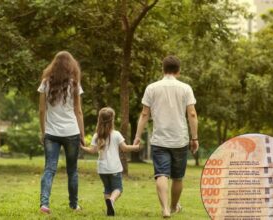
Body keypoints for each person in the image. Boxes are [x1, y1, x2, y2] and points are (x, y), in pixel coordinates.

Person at [134, 55, 199, 218]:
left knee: (161, 174)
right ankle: (173, 205)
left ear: (163, 69)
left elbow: (144, 114)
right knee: (177, 177)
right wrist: (195, 138)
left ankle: (165, 209)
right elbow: (191, 113)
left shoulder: (152, 88)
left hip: (159, 139)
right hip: (180, 140)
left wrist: (137, 136)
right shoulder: (186, 88)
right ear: (179, 70)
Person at [38, 51, 85, 214]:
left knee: (49, 169)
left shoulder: (45, 83)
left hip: (51, 132)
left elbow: (42, 111)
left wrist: (43, 132)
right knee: (72, 170)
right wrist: (82, 134)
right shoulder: (74, 84)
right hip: (72, 132)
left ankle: (44, 204)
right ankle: (74, 205)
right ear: (70, 66)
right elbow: (78, 111)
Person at [81, 107, 141, 216]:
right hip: (114, 168)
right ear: (112, 120)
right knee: (118, 188)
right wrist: (135, 147)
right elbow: (125, 148)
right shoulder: (116, 134)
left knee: (107, 189)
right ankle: (112, 201)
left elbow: (92, 150)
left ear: (99, 120)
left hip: (102, 169)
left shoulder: (96, 135)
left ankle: (110, 210)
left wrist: (82, 147)